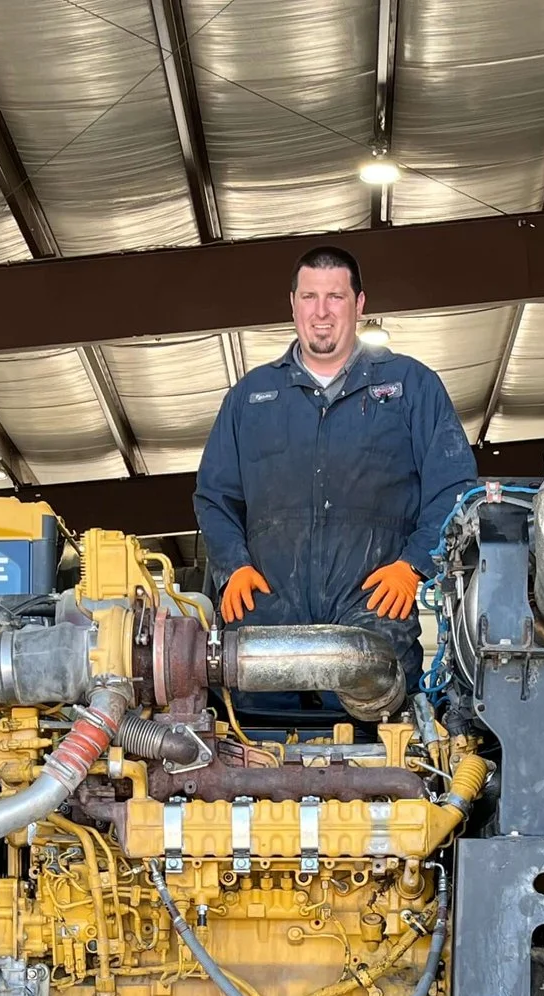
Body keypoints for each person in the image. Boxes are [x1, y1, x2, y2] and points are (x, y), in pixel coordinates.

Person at [193, 245, 476, 694]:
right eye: (309, 297)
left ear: (359, 304)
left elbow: (454, 485)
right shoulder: (250, 398)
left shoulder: (411, 387)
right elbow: (214, 495)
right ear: (292, 304)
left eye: (335, 297)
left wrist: (414, 565)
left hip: (373, 623)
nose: (321, 312)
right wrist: (234, 565)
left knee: (391, 751)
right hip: (266, 628)